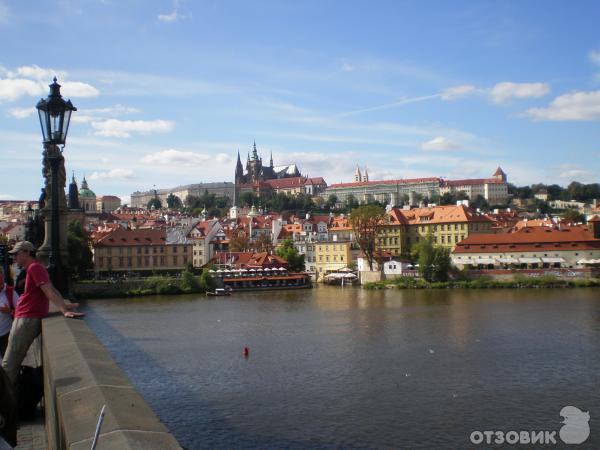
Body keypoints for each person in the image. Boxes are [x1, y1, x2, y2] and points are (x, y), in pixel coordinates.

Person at [1, 241, 84, 384]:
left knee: (9, 364)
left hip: (26, 319)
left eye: (16, 254)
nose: (14, 258)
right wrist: (64, 305)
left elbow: (49, 291)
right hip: (25, 317)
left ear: (26, 252)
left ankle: (5, 400)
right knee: (11, 363)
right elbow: (52, 289)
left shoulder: (34, 268)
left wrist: (63, 309)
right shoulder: (36, 268)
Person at [0, 269, 18, 360]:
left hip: (6, 334)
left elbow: (20, 314)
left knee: (8, 361)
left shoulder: (11, 293)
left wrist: (9, 311)